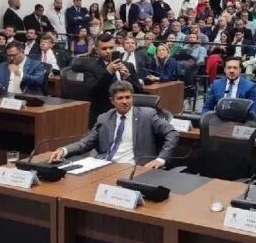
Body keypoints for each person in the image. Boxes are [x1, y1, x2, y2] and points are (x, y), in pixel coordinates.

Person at [46, 81, 178, 168]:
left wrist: (160, 160)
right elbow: (86, 143)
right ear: (112, 101)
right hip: (104, 166)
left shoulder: (147, 115)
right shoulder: (104, 118)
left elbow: (172, 133)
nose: (125, 101)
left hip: (134, 168)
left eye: (128, 97)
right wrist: (63, 150)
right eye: (120, 98)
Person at [81, 34, 144, 125]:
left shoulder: (128, 65)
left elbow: (139, 91)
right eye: (104, 48)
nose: (108, 51)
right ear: (97, 50)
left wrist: (126, 78)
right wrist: (108, 73)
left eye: (111, 48)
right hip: (102, 114)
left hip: (127, 114)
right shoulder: (90, 67)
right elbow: (92, 93)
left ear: (116, 48)